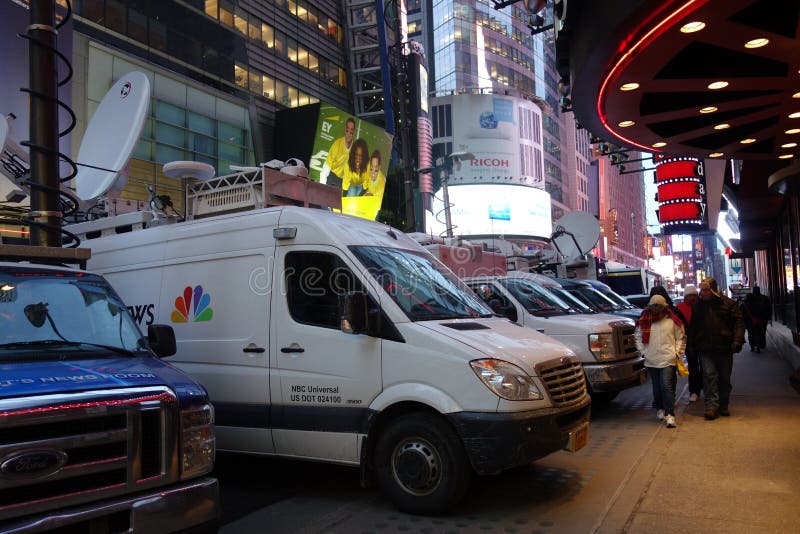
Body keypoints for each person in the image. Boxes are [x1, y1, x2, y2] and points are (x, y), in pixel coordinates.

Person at [687, 277, 745, 420]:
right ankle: (711, 406)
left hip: (724, 348)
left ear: (713, 290)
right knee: (709, 376)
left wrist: (737, 340)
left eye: (706, 290)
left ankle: (723, 405)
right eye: (702, 290)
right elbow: (693, 327)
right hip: (705, 348)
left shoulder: (728, 304)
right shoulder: (698, 306)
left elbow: (739, 323)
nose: (703, 292)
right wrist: (691, 345)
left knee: (724, 378)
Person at [635, 294, 686, 428]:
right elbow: (638, 337)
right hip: (651, 359)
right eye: (654, 306)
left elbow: (681, 337)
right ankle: (660, 408)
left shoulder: (672, 320)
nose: (656, 309)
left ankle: (670, 415)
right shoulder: (645, 320)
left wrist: (676, 353)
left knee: (666, 386)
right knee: (657, 388)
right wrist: (643, 352)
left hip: (668, 359)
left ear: (664, 306)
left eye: (659, 306)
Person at [676, 284, 702, 402]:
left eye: (694, 295)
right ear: (685, 296)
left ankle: (701, 389)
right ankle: (694, 391)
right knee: (694, 367)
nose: (692, 298)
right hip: (688, 343)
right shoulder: (679, 308)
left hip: (702, 341)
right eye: (690, 296)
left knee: (704, 367)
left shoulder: (701, 306)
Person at [320, 117, 355, 189]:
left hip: (341, 180)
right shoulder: (337, 144)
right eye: (347, 129)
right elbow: (327, 165)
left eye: (351, 130)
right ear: (345, 129)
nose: (349, 133)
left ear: (354, 131)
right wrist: (322, 186)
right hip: (332, 175)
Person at [742, 286, 772, 353]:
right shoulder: (764, 298)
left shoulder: (748, 300)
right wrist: (766, 318)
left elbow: (743, 311)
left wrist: (745, 321)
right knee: (761, 332)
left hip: (750, 321)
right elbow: (769, 309)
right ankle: (761, 345)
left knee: (751, 333)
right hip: (761, 320)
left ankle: (753, 346)